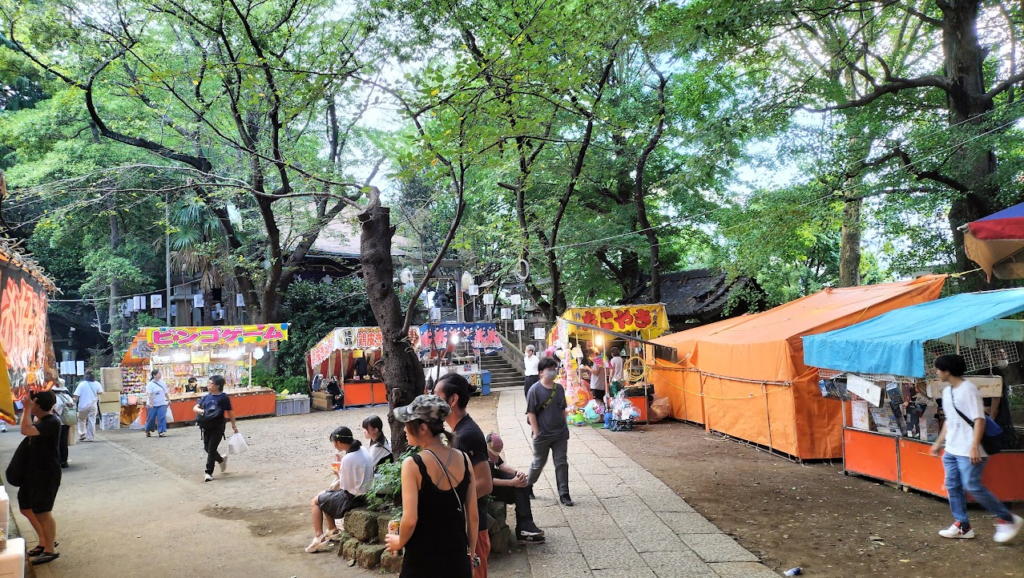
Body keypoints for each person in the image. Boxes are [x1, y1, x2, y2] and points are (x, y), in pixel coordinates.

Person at [929, 354, 1022, 543]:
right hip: (952, 449)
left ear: (947, 371)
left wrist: (974, 447)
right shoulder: (948, 392)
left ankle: (1008, 518)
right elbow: (950, 419)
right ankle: (963, 525)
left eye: (938, 369)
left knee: (972, 486)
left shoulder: (968, 390)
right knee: (953, 485)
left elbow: (979, 419)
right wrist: (939, 443)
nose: (936, 372)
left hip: (970, 449)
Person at [384, 395, 477, 578]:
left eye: (407, 423)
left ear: (423, 428)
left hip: (423, 562)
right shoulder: (464, 459)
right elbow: (473, 517)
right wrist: (471, 555)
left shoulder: (413, 465)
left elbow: (410, 520)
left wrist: (399, 542)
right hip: (457, 560)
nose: (404, 429)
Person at [434, 374, 492, 578]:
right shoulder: (457, 432)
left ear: (453, 400)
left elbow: (485, 483)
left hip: (473, 529)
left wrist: (449, 501)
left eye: (437, 397)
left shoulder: (467, 435)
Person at [306, 426, 375, 553]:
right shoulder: (363, 450)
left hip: (352, 499)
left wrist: (338, 473)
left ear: (339, 442)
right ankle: (332, 529)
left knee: (315, 501)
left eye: (334, 443)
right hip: (366, 494)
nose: (334, 446)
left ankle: (318, 536)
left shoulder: (348, 459)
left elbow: (344, 486)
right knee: (324, 495)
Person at [18, 390, 62, 565]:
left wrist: (26, 410)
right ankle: (44, 541)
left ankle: (50, 549)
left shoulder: (51, 422)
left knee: (43, 512)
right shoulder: (43, 420)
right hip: (33, 473)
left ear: (37, 404)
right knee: (26, 507)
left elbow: (25, 430)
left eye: (31, 401)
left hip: (46, 473)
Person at [526, 357, 573, 507]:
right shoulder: (534, 390)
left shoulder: (559, 388)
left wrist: (565, 427)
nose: (553, 371)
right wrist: (536, 431)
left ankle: (564, 493)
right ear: (541, 372)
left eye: (554, 368)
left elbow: (562, 409)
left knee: (561, 463)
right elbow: (531, 413)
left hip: (559, 433)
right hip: (543, 435)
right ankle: (528, 485)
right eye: (549, 369)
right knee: (538, 463)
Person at [485, 432, 544, 543]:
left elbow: (501, 465)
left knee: (521, 484)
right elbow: (488, 480)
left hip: (495, 480)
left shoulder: (491, 453)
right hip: (489, 489)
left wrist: (517, 473)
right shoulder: (482, 457)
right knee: (519, 487)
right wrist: (511, 482)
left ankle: (525, 527)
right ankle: (524, 527)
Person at [192, 375, 238, 482]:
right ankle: (221, 460)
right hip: (206, 425)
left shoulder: (223, 397)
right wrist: (201, 411)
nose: (208, 385)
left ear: (217, 385)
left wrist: (234, 426)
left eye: (210, 383)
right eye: (208, 383)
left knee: (211, 449)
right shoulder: (207, 397)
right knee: (207, 448)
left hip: (218, 426)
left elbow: (230, 411)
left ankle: (208, 472)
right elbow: (195, 407)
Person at [50, 380, 75, 469]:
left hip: (55, 422)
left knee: (55, 442)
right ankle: (64, 461)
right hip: (66, 421)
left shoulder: (54, 398)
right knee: (63, 442)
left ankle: (57, 461)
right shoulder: (68, 396)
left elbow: (52, 409)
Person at [73, 371, 103, 442]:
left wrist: (73, 402)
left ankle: (82, 433)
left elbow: (76, 395)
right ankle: (91, 437)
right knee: (92, 420)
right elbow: (101, 392)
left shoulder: (82, 384)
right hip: (93, 405)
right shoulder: (97, 384)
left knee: (81, 419)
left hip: (83, 405)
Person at [145, 369, 170, 438]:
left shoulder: (162, 383)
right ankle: (148, 430)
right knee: (151, 418)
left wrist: (168, 399)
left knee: (161, 417)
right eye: (158, 373)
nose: (160, 374)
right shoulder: (150, 384)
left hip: (162, 403)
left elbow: (165, 392)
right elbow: (149, 394)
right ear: (154, 375)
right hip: (153, 404)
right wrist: (151, 403)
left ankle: (161, 431)